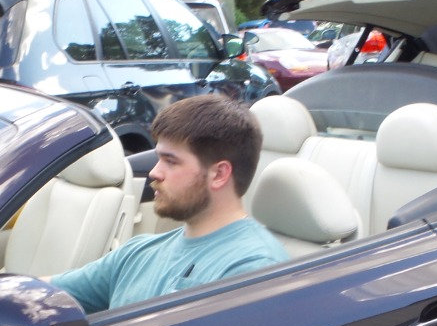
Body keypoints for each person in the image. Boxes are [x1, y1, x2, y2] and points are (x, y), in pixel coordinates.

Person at [51, 95, 288, 313]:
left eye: (171, 161)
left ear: (218, 174)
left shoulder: (253, 270)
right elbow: (45, 294)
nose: (154, 172)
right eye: (158, 158)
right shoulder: (138, 252)